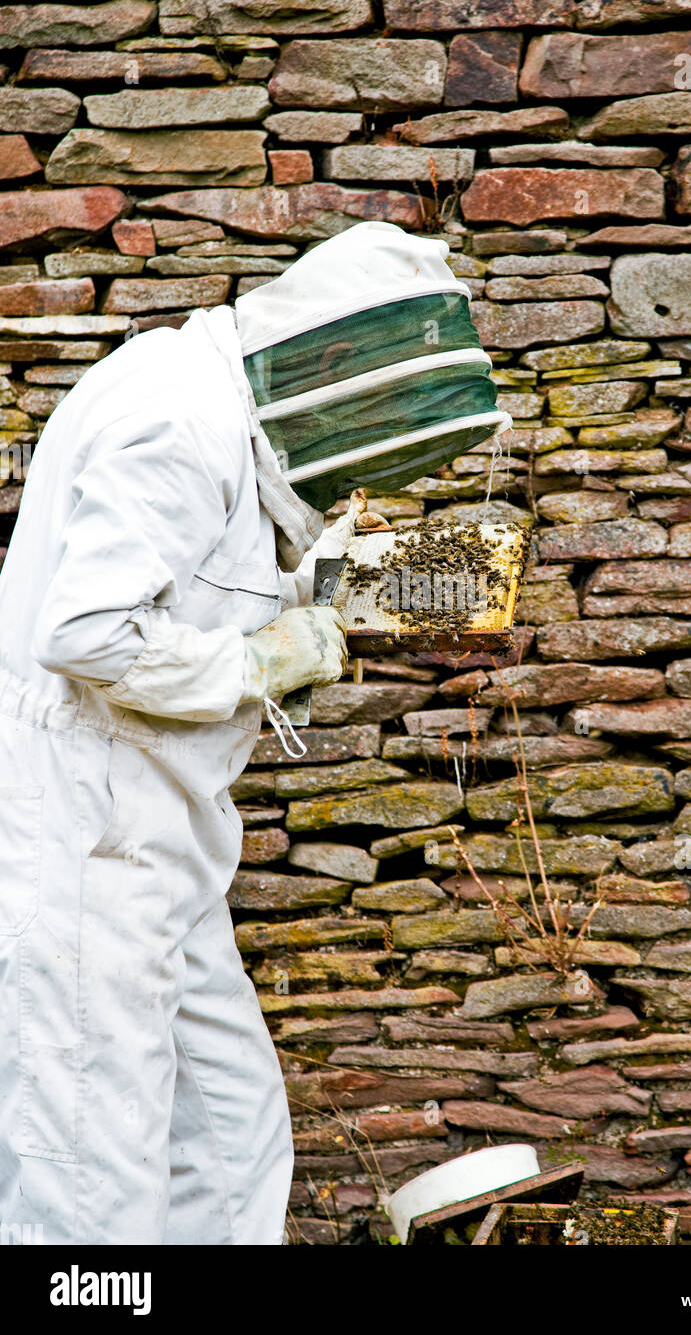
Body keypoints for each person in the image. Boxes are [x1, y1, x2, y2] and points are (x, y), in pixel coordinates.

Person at [0, 220, 509, 1244]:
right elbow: (89, 631)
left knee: (229, 1135)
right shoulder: (177, 418)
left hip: (164, 852)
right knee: (95, 1175)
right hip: (82, 851)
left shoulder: (227, 419)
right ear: (329, 352)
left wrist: (343, 592)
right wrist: (261, 661)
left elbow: (214, 579)